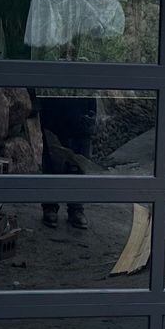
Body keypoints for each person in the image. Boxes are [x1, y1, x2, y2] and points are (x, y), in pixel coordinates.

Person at [37, 94, 95, 229]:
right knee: (52, 158)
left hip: (83, 102)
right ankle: (50, 206)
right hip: (54, 105)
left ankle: (76, 208)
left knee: (80, 160)